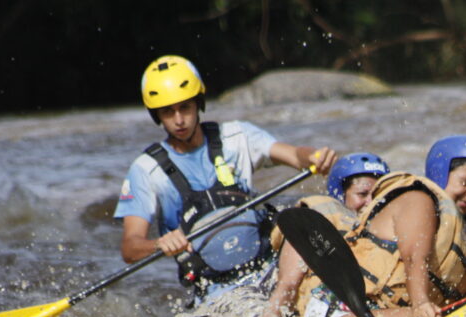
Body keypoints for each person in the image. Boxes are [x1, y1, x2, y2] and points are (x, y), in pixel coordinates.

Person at [240, 135, 466, 317]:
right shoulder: (411, 201)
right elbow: (415, 258)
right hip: (337, 312)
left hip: (383, 313)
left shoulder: (464, 233)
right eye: (465, 182)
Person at [115, 55, 337, 300]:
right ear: (157, 115)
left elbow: (295, 155)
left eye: (185, 107)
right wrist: (158, 244)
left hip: (271, 268)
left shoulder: (238, 136)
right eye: (168, 112)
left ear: (198, 103)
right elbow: (130, 247)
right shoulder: (145, 170)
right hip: (214, 290)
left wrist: (314, 157)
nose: (179, 120)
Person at [236, 153, 390, 317]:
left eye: (377, 194)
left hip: (362, 313)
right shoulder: (314, 225)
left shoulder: (382, 232)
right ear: (341, 194)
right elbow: (287, 285)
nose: (370, 202)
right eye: (362, 194)